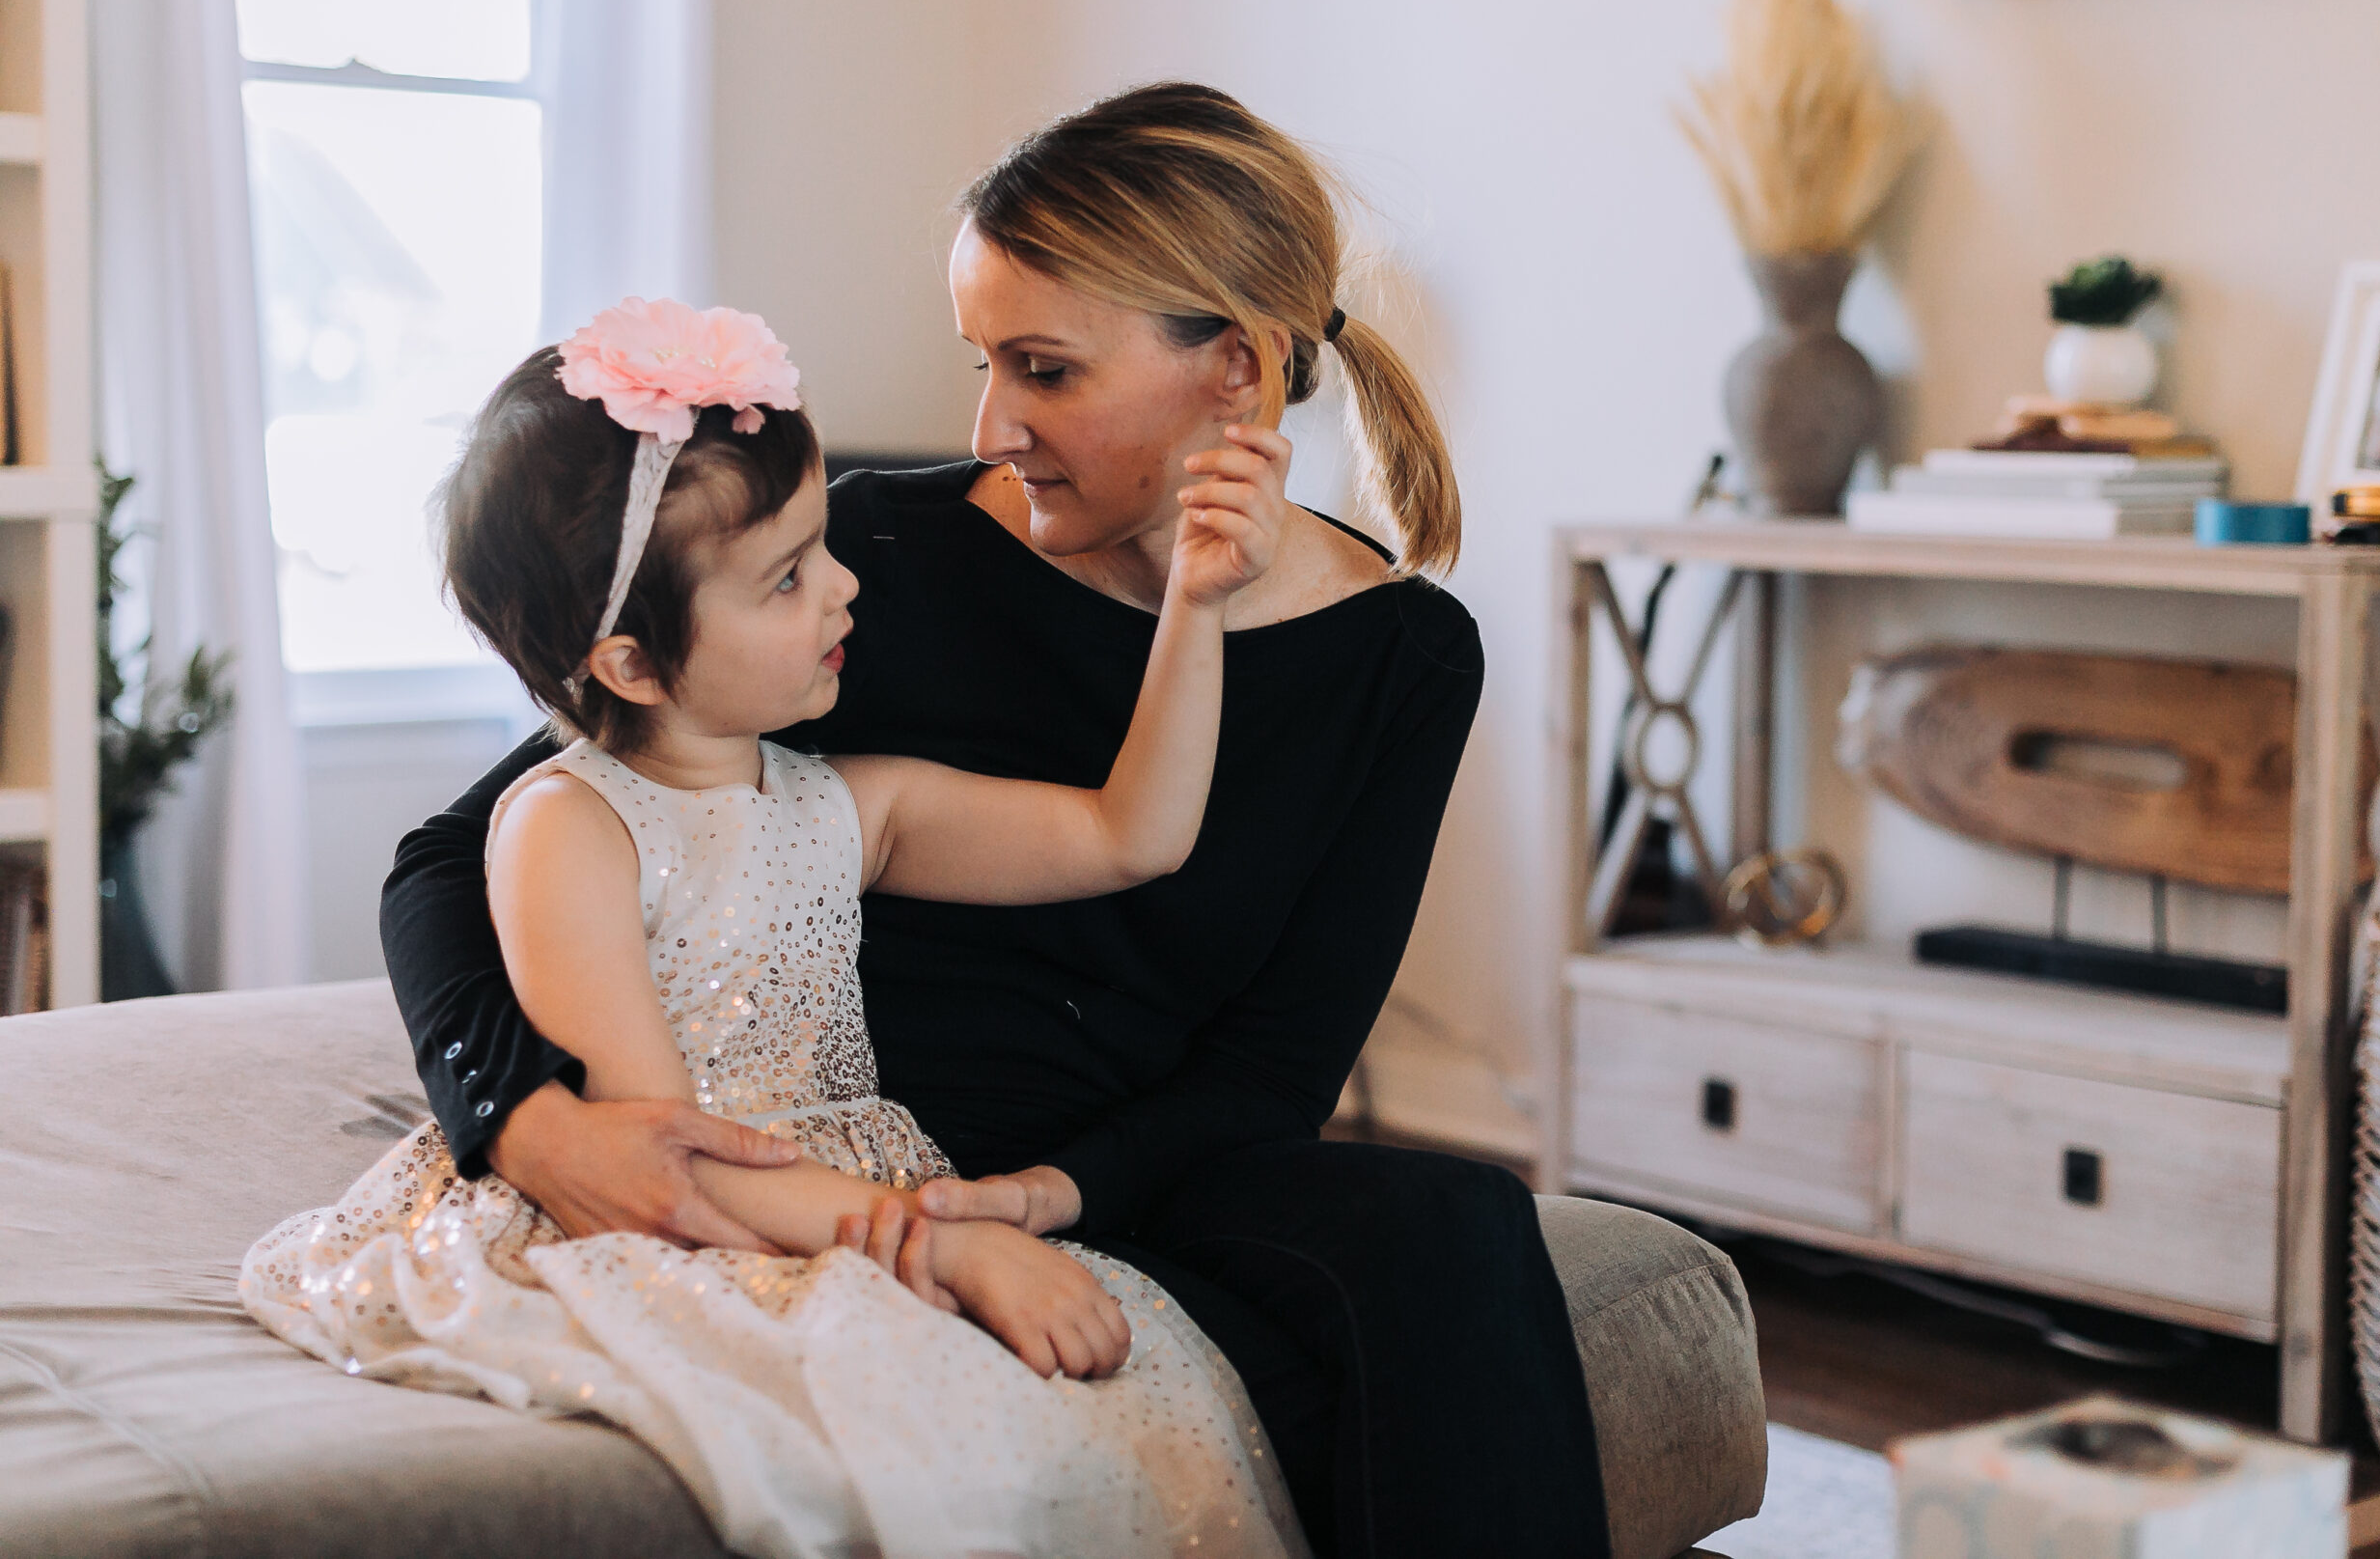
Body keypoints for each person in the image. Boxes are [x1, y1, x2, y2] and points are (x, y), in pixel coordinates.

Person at [384, 84, 1611, 1558]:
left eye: (1043, 369)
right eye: (983, 362)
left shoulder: (1404, 657)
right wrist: (527, 1122)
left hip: (1131, 1167)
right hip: (836, 1146)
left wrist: (1049, 1198)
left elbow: (1276, 1063)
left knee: (1456, 1227)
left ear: (1238, 368)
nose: (992, 424)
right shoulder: (876, 556)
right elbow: (474, 845)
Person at [243, 298, 1306, 1559]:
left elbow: (1136, 833)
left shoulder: (846, 802)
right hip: (704, 1218)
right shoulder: (566, 827)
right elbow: (667, 1161)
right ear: (632, 664)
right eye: (790, 575)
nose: (847, 583)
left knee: (1143, 1426)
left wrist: (1198, 601)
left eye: (822, 546)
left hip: (853, 1206)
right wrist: (947, 1254)